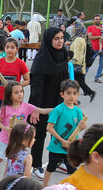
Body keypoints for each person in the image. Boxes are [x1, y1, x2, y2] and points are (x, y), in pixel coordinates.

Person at [26, 27, 70, 181]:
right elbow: (36, 86)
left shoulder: (63, 53)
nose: (60, 41)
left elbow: (66, 78)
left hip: (60, 101)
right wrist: (35, 109)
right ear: (49, 40)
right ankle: (35, 165)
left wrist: (69, 98)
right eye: (56, 38)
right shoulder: (41, 59)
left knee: (60, 132)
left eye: (61, 38)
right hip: (43, 103)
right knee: (39, 133)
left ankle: (57, 161)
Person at [0, 81, 49, 186]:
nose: (20, 94)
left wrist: (59, 109)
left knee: (10, 161)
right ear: (10, 96)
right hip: (4, 139)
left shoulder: (26, 106)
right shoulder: (5, 108)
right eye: (16, 92)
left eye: (21, 91)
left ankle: (5, 180)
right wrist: (6, 128)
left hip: (17, 140)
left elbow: (42, 111)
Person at [0, 38, 31, 164]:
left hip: (15, 101)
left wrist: (17, 87)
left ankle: (17, 150)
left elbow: (27, 80)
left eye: (12, 47)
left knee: (17, 125)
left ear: (17, 49)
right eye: (7, 47)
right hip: (0, 97)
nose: (9, 49)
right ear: (4, 48)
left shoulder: (21, 63)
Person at [42, 79, 86, 186]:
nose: (72, 96)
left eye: (74, 93)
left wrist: (83, 126)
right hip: (57, 145)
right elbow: (49, 127)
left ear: (78, 95)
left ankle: (72, 189)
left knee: (72, 169)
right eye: (69, 93)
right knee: (51, 167)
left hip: (71, 147)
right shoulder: (58, 110)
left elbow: (80, 127)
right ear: (62, 94)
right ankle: (44, 186)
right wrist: (62, 140)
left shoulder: (78, 111)